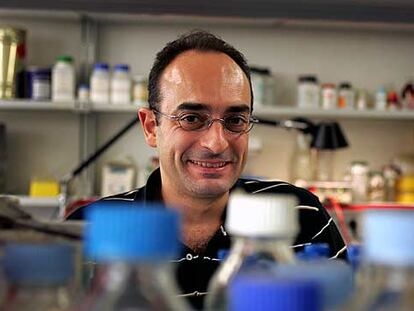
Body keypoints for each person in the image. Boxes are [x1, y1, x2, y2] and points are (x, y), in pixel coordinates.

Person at [67, 30, 346, 309]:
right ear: (151, 127)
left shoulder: (301, 216)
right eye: (191, 118)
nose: (216, 142)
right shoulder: (87, 232)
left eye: (235, 119)